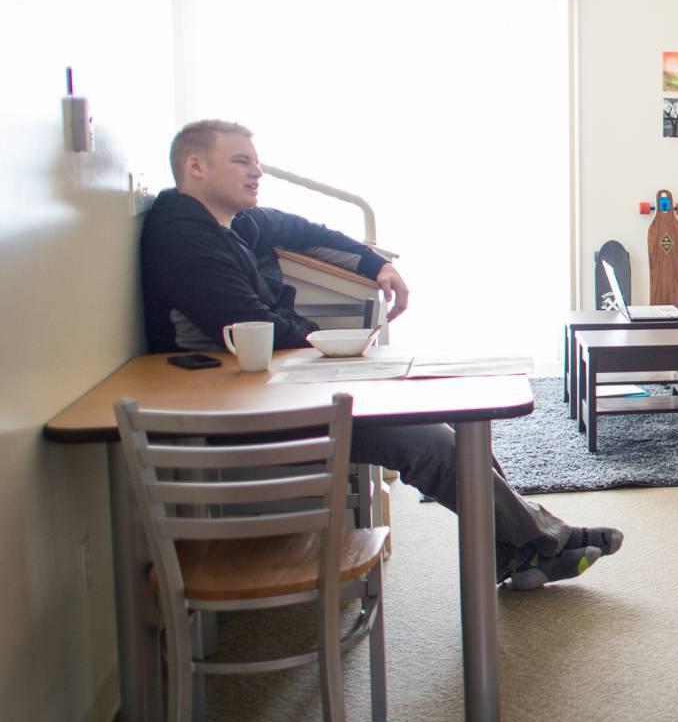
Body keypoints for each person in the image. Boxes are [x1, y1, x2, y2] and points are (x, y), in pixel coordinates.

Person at [140, 120, 621, 590]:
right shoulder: (183, 236)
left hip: (272, 388)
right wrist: (330, 345)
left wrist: (379, 265)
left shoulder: (237, 223)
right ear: (196, 166)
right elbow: (257, 329)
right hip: (236, 412)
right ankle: (541, 541)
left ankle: (525, 544)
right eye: (242, 161)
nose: (257, 172)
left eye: (258, 161)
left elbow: (310, 232)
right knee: (428, 441)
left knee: (452, 433)